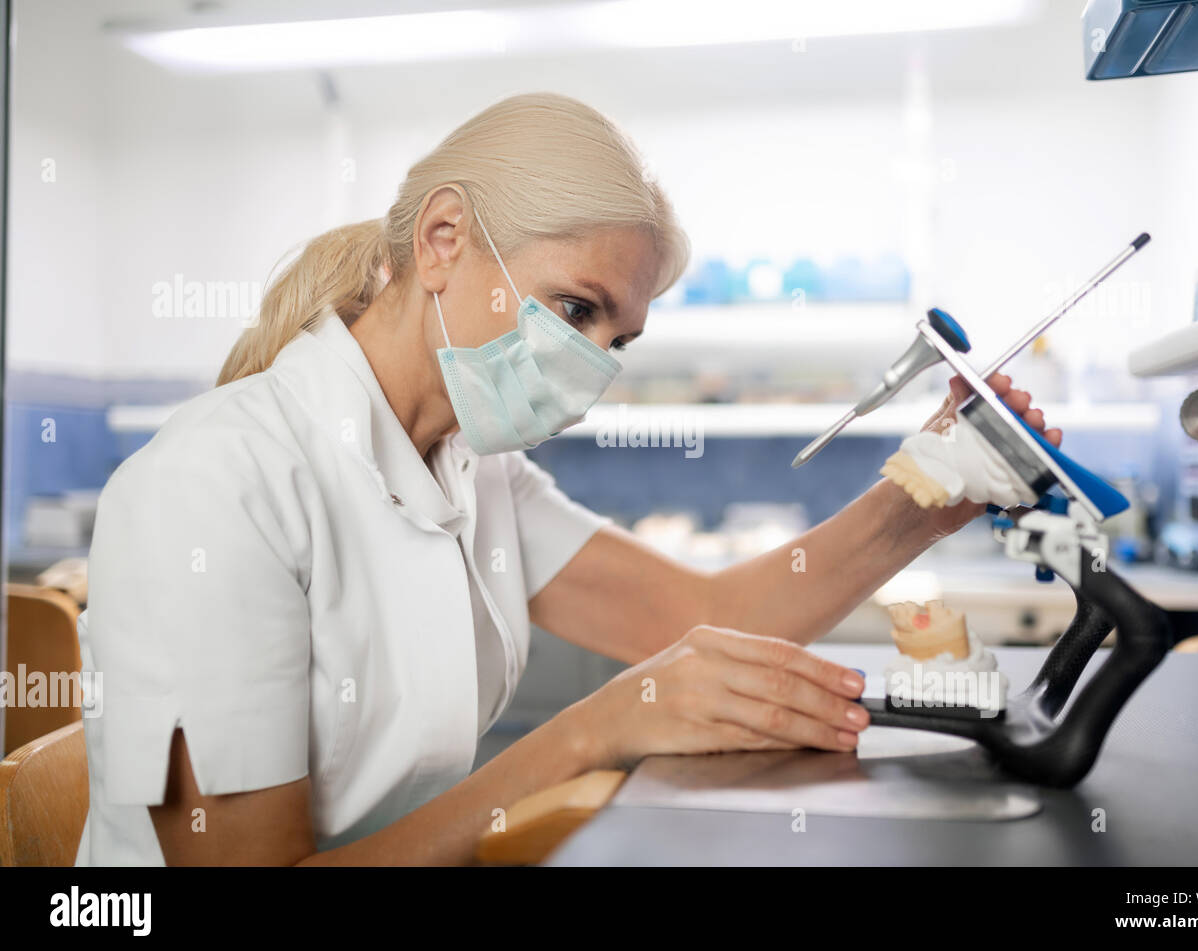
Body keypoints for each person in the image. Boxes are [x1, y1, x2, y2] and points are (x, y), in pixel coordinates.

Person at [75, 92, 1060, 865]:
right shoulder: (217, 484)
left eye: (615, 337)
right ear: (444, 241)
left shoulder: (472, 466)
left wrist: (932, 486)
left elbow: (705, 611)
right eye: (574, 308)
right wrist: (608, 722)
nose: (591, 364)